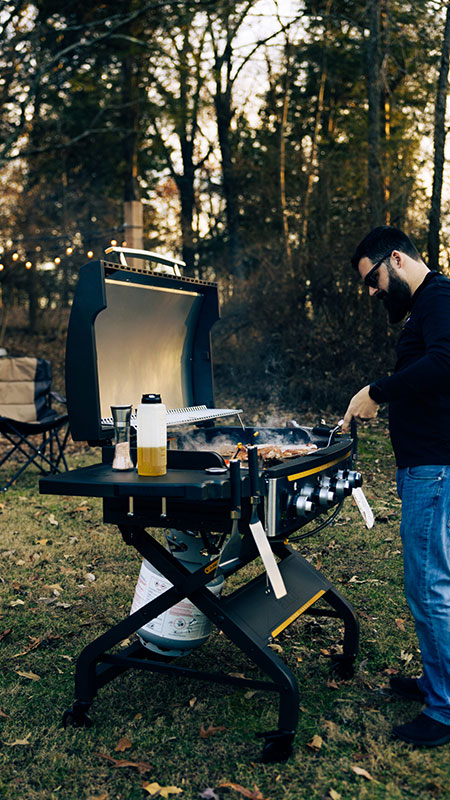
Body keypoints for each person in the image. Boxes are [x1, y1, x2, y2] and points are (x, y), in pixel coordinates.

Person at [342, 225, 450, 747]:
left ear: (398, 259)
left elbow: (445, 365)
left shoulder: (440, 298)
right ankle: (438, 682)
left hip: (435, 468)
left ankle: (445, 710)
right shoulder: (429, 305)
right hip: (425, 467)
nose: (372, 291)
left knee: (428, 588)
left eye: (373, 279)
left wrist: (378, 392)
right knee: (434, 584)